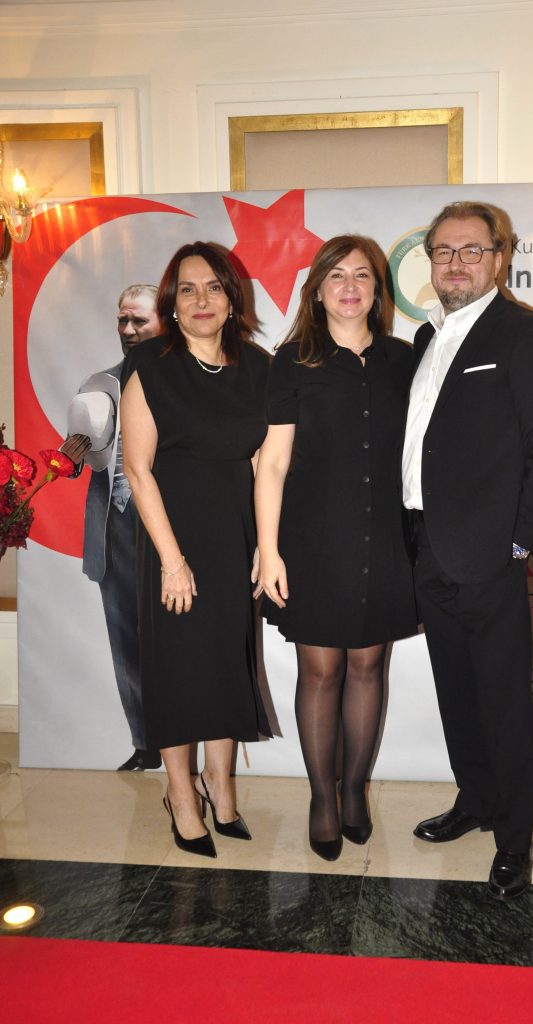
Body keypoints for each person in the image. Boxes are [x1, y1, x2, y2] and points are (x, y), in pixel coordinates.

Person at [403, 201, 533, 900]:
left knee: (503, 702)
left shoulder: (527, 334)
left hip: (489, 553)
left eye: (472, 250)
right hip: (426, 546)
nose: (456, 263)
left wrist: (518, 541)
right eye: (444, 251)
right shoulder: (426, 337)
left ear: (500, 258)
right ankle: (474, 800)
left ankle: (513, 842)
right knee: (457, 691)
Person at [255, 235, 418, 861]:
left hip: (386, 538)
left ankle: (354, 790)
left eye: (362, 276)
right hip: (314, 540)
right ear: (317, 290)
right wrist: (269, 550)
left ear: (378, 290)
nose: (350, 287)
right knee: (321, 671)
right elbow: (272, 463)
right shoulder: (293, 360)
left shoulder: (403, 360)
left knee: (369, 667)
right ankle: (322, 798)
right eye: (337, 276)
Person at [120, 241, 272, 859]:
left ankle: (219, 781)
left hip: (233, 537)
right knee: (180, 671)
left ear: (232, 299)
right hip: (173, 540)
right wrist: (172, 561)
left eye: (214, 287)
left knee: (227, 662)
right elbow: (137, 470)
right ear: (172, 303)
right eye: (187, 289)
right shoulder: (150, 366)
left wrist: (265, 542)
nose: (201, 299)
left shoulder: (257, 366)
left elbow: (263, 461)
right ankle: (180, 794)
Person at [65, 284, 162, 772]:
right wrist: (66, 457)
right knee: (127, 641)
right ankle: (145, 742)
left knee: (181, 642)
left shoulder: (186, 378)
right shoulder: (100, 383)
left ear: (164, 319)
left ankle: (189, 740)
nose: (128, 329)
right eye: (122, 320)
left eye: (139, 320)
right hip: (115, 528)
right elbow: (76, 456)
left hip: (171, 526)